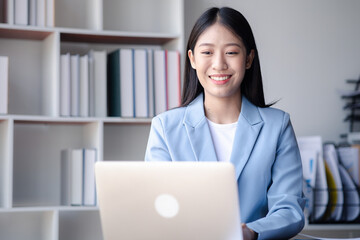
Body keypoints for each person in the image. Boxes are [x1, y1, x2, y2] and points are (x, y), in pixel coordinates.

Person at [145, 6, 305, 240]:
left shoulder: (277, 126)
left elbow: (289, 210)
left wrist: (251, 232)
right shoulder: (165, 128)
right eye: (207, 52)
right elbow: (156, 206)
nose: (219, 64)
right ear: (192, 59)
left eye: (231, 52)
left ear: (248, 59)